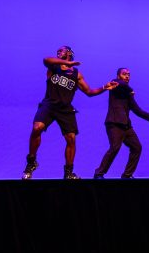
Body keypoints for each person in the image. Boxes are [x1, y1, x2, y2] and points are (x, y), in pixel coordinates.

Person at [21, 45, 116, 180]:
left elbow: (89, 92)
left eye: (62, 50)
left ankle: (68, 172)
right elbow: (46, 59)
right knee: (37, 128)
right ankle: (31, 162)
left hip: (65, 109)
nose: (59, 52)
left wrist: (104, 87)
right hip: (49, 104)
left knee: (71, 138)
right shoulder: (53, 66)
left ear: (70, 53)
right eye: (57, 51)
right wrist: (66, 62)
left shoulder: (76, 74)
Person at [93, 68, 149, 179]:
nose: (127, 76)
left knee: (137, 147)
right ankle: (99, 173)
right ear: (118, 76)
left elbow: (137, 110)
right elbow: (121, 84)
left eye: (129, 75)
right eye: (124, 74)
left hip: (126, 126)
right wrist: (130, 90)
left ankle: (127, 175)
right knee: (115, 148)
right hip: (114, 123)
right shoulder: (116, 84)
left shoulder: (128, 94)